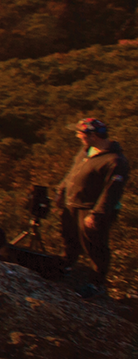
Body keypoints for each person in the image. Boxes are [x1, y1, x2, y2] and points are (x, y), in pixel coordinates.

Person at [56, 117, 127, 294]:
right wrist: (61, 191)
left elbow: (112, 191)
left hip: (91, 209)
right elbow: (72, 173)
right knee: (69, 238)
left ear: (93, 136)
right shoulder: (85, 151)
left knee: (95, 246)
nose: (77, 135)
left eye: (80, 132)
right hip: (72, 204)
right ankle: (66, 267)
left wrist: (97, 214)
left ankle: (97, 283)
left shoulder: (115, 161)